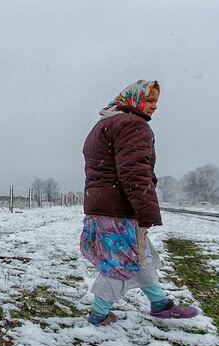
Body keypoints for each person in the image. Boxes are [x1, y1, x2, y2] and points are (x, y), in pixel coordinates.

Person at [80, 80, 198, 326]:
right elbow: (134, 171)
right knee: (120, 263)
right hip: (118, 209)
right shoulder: (133, 124)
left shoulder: (103, 124)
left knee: (138, 255)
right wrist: (146, 210)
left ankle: (160, 303)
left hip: (101, 205)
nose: (154, 106)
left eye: (156, 101)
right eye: (151, 100)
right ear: (134, 99)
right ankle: (98, 315)